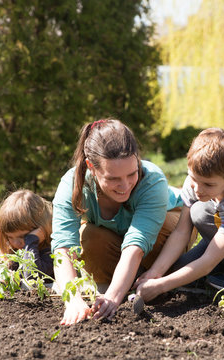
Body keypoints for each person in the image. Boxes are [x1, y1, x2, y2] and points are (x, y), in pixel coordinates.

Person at [51, 118, 196, 325]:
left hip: (169, 226)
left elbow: (135, 246)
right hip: (119, 239)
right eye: (113, 178)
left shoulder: (153, 180)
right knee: (89, 237)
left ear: (137, 159)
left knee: (159, 229)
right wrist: (73, 300)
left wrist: (112, 298)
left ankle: (156, 278)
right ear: (91, 167)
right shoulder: (72, 184)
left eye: (131, 173)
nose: (125, 185)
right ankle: (131, 281)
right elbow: (63, 249)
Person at [134, 127, 224, 302]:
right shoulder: (196, 181)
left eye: (208, 185)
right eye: (193, 179)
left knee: (200, 214)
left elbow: (209, 261)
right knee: (176, 269)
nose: (198, 189)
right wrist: (156, 273)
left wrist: (162, 285)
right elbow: (181, 232)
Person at [0, 189, 54, 280]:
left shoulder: (50, 252)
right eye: (10, 237)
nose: (16, 243)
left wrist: (31, 241)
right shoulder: (11, 249)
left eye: (23, 236)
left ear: (42, 229)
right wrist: (0, 274)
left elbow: (31, 275)